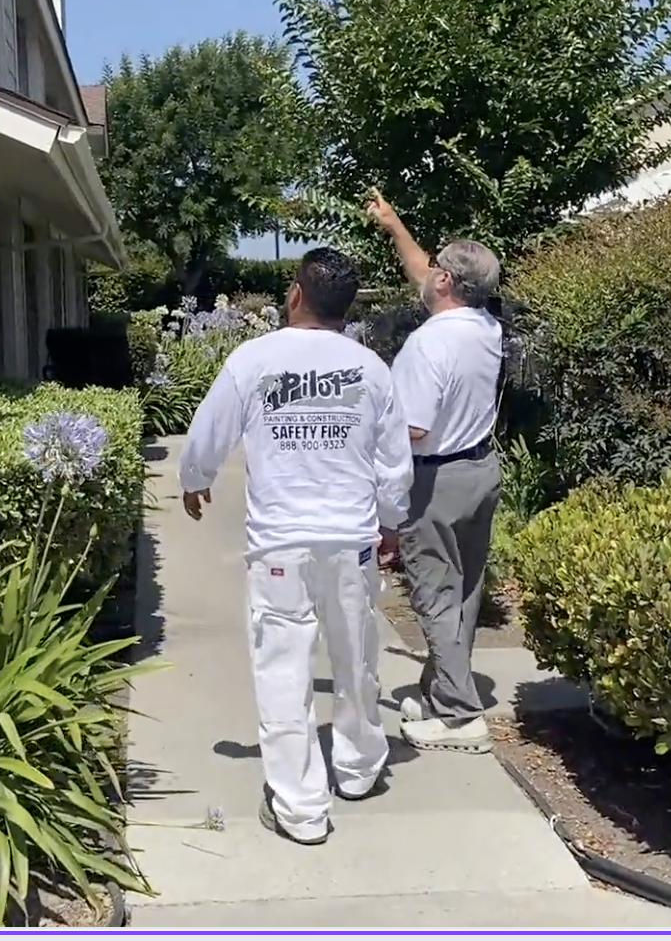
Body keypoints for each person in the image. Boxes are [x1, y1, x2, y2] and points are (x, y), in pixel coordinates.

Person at [177, 247, 414, 845]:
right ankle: (358, 770)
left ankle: (301, 809)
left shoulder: (253, 359)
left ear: (296, 294)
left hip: (280, 546)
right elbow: (393, 462)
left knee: (284, 672)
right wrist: (391, 522)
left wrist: (195, 478)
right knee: (356, 660)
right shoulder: (371, 368)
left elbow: (208, 432)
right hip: (352, 540)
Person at [366, 189, 503, 755]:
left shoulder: (427, 345)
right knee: (464, 593)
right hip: (480, 470)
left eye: (437, 269)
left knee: (433, 595)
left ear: (447, 281)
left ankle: (460, 717)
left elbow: (411, 431)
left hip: (435, 482)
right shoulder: (486, 326)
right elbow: (425, 274)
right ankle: (446, 690)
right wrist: (394, 224)